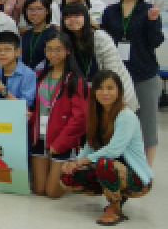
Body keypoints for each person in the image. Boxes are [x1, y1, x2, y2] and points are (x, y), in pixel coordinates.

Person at [61, 70, 153, 225]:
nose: (104, 92)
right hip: (112, 168)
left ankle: (115, 207)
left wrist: (81, 161)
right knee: (67, 177)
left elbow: (113, 151)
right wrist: (74, 162)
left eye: (110, 88)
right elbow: (90, 146)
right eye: (100, 88)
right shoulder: (96, 114)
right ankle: (114, 192)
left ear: (119, 91)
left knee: (105, 164)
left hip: (137, 179)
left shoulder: (126, 116)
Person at [100, 0, 163, 165]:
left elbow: (155, 42)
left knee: (148, 125)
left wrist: (153, 21)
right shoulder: (110, 11)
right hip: (117, 76)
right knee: (118, 123)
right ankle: (120, 166)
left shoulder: (148, 10)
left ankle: (146, 172)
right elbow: (104, 41)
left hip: (145, 74)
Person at [29, 32, 88, 199]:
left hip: (61, 141)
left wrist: (61, 143)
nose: (53, 53)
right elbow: (36, 106)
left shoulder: (76, 80)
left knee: (52, 192)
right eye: (49, 49)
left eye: (58, 49)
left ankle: (79, 173)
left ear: (68, 50)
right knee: (39, 189)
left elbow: (80, 118)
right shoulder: (40, 75)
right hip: (40, 138)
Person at [61, 2, 138, 111]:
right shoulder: (67, 41)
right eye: (67, 17)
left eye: (77, 15)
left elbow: (112, 74)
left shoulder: (101, 37)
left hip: (114, 94)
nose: (72, 20)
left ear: (86, 17)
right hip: (87, 96)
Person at [0, 31, 37, 107]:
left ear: (17, 52)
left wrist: (3, 90)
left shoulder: (28, 75)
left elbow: (25, 106)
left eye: (7, 49)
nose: (2, 53)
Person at [20, 0, 57, 69]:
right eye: (30, 9)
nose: (34, 13)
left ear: (47, 11)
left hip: (44, 74)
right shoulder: (26, 34)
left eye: (39, 9)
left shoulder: (54, 34)